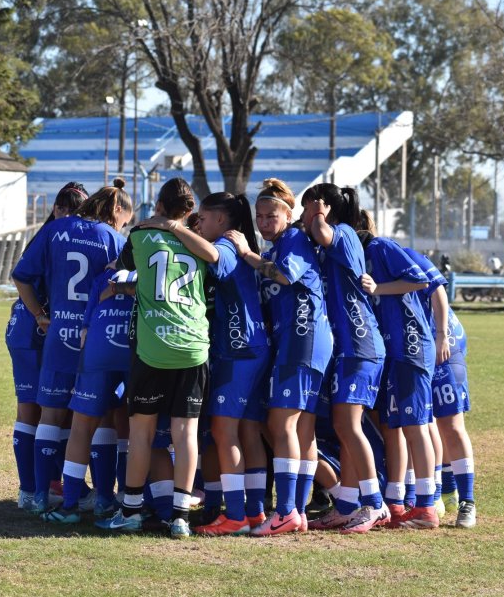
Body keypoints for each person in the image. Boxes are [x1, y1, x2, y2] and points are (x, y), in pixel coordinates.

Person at [136, 191, 271, 536]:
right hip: (250, 349)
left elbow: (214, 259)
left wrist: (171, 226)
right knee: (247, 432)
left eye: (206, 218)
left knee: (224, 433)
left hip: (238, 350)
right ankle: (253, 512)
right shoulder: (233, 241)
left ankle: (237, 515)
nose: (202, 223)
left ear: (222, 221)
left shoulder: (226, 244)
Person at [96, 178, 210, 539]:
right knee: (185, 433)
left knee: (142, 432)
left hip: (153, 347)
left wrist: (152, 226)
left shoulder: (140, 236)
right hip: (193, 346)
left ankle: (129, 511)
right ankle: (180, 517)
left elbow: (121, 268)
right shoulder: (204, 244)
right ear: (190, 211)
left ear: (158, 204)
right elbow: (216, 260)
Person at [11, 178, 132, 514]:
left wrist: (40, 314)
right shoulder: (114, 239)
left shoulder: (57, 228)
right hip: (94, 336)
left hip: (57, 333)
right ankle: (105, 497)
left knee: (50, 413)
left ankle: (38, 495)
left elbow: (21, 276)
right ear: (117, 212)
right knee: (102, 414)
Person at [226, 178, 333, 537]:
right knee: (302, 429)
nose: (263, 222)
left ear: (289, 215)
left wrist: (245, 254)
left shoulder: (295, 240)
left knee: (280, 423)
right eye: (259, 216)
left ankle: (286, 510)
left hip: (303, 338)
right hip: (298, 341)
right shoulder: (276, 246)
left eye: (271, 215)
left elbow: (284, 276)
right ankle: (298, 511)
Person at [299, 183, 389, 534]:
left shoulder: (344, 233)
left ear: (322, 208)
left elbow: (321, 231)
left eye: (307, 208)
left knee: (349, 426)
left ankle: (374, 504)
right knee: (342, 426)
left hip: (360, 342)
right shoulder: (330, 239)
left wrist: (317, 213)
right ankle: (348, 505)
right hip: (348, 347)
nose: (303, 216)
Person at [6, 182, 87, 512]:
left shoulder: (54, 235)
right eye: (64, 209)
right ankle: (34, 488)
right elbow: (21, 277)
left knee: (51, 410)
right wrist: (40, 314)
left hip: (36, 331)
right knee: (38, 410)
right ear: (55, 209)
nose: (68, 216)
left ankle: (46, 485)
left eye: (76, 211)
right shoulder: (53, 236)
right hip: (35, 331)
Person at [356, 211, 440, 530]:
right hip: (394, 349)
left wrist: (377, 288)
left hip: (411, 346)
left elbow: (421, 279)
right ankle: (401, 500)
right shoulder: (363, 253)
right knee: (400, 425)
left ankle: (428, 506)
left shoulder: (379, 247)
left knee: (416, 425)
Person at [39, 267, 137, 524]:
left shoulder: (103, 278)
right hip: (136, 348)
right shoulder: (156, 271)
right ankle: (132, 502)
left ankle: (70, 506)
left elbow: (85, 331)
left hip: (98, 348)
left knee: (82, 426)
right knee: (142, 428)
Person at [403, 248, 477, 528]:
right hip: (417, 350)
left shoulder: (400, 253)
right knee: (425, 422)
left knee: (451, 424)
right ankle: (440, 493)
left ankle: (468, 502)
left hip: (444, 347)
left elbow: (438, 289)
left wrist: (441, 336)